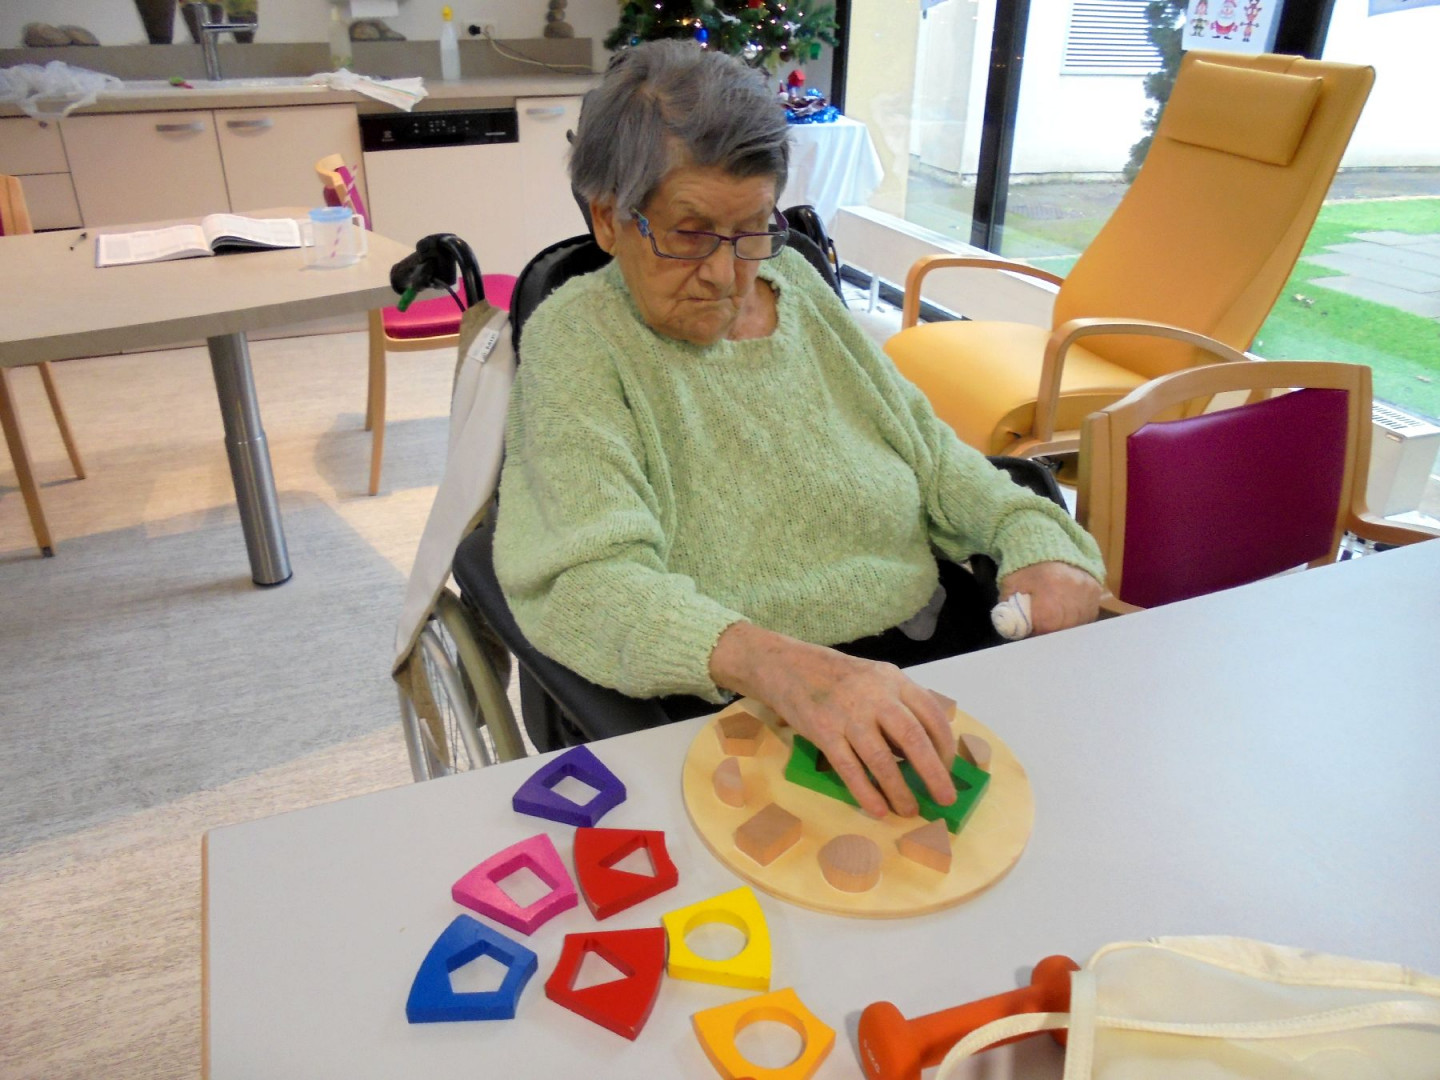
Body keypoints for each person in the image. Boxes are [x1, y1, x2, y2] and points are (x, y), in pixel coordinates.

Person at [494, 40, 1104, 819]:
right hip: (741, 709)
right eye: (690, 234)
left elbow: (930, 455)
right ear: (609, 218)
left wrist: (1034, 535)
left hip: (920, 657)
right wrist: (779, 667)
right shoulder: (579, 341)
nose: (727, 275)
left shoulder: (799, 291)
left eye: (753, 229)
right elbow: (589, 580)